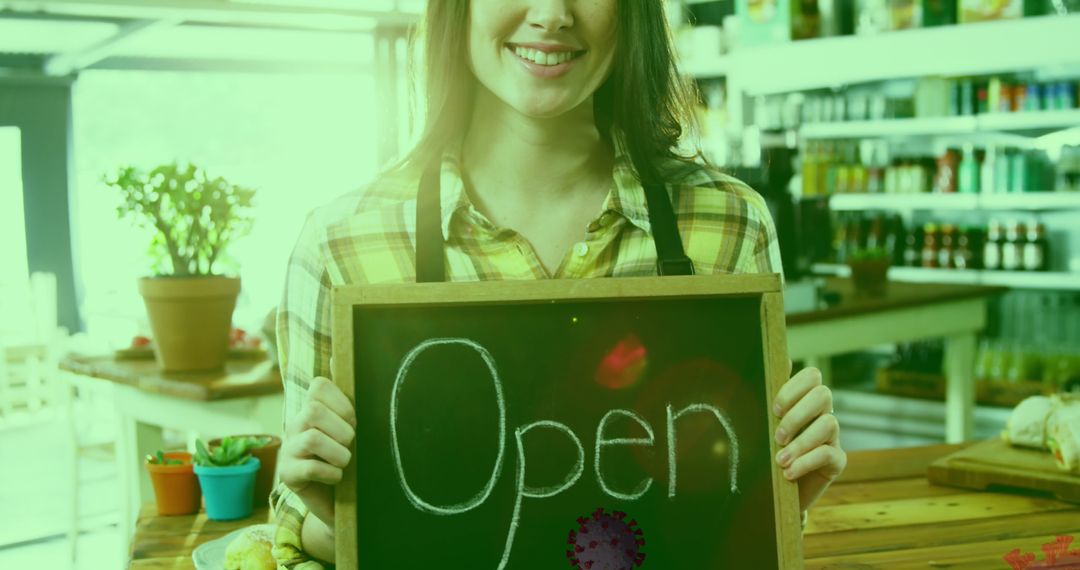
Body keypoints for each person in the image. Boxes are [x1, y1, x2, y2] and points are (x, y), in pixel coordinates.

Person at [270, 0, 847, 566]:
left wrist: (781, 496)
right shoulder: (341, 244)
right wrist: (337, 515)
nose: (551, 13)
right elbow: (297, 536)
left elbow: (732, 525)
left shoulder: (728, 226)